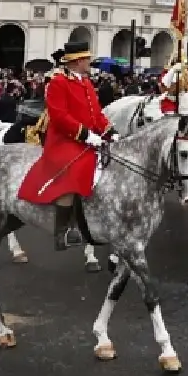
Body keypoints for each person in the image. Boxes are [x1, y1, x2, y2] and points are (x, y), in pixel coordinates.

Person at [17, 32, 116, 248]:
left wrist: (111, 131)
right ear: (78, 61)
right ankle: (62, 231)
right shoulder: (58, 82)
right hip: (65, 140)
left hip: (88, 139)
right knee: (74, 172)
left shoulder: (87, 83)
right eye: (87, 59)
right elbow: (60, 117)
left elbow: (96, 114)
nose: (90, 62)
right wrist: (86, 135)